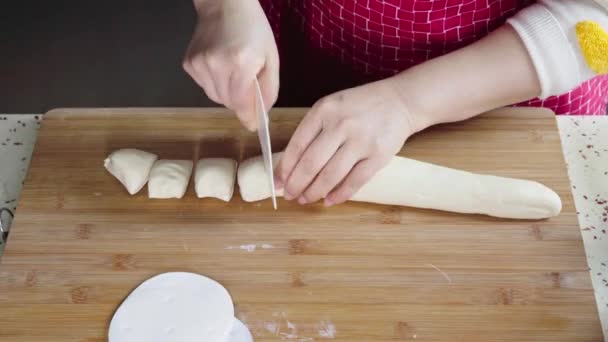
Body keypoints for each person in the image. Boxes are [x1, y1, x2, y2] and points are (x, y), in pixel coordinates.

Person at [183, 0, 608, 207]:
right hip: (320, 54)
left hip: (514, 92)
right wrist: (226, 7)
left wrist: (407, 102)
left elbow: (595, 20)